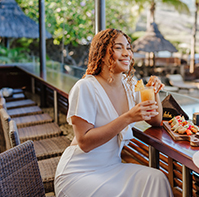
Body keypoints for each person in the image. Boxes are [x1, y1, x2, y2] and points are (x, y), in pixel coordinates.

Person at [54, 28, 173, 197]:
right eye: (118, 48)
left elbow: (155, 119)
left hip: (112, 166)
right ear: (102, 53)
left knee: (157, 179)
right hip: (79, 172)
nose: (126, 53)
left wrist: (154, 92)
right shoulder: (85, 87)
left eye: (128, 48)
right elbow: (84, 142)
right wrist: (128, 117)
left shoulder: (130, 85)